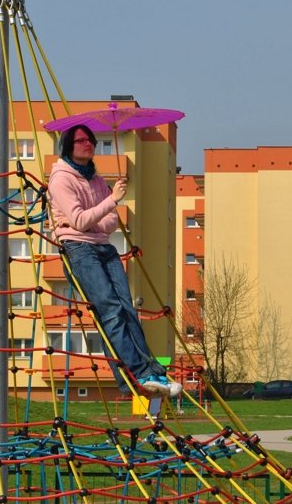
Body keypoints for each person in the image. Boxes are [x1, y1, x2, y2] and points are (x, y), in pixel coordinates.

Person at [47, 124, 181, 398]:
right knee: (109, 310)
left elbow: (107, 224)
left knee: (126, 309)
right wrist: (111, 201)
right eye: (81, 140)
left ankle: (148, 370)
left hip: (103, 248)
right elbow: (79, 221)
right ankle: (139, 374)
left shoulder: (96, 179)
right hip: (78, 249)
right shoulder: (60, 179)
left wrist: (94, 217)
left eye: (91, 140)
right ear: (68, 146)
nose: (88, 144)